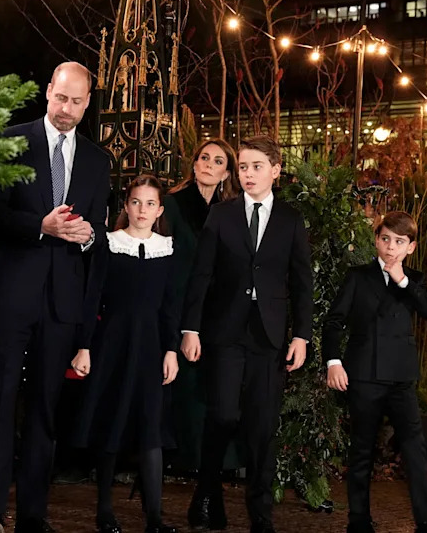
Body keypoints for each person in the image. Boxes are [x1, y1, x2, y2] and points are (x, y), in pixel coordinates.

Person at [0, 61, 112, 533]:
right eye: (61, 98)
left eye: (77, 102)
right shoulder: (11, 140)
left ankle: (33, 515)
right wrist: (40, 226)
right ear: (48, 91)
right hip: (12, 297)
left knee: (45, 412)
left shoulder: (98, 160)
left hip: (62, 305)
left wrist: (89, 235)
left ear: (88, 102)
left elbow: (97, 239)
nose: (67, 109)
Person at [181, 135, 313, 533]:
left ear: (275, 170)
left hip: (269, 338)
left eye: (257, 166)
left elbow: (302, 281)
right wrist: (190, 328)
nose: (248, 173)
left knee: (261, 427)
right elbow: (201, 275)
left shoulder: (291, 219)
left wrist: (302, 336)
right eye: (243, 167)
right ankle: (207, 497)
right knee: (221, 416)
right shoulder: (221, 215)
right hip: (225, 332)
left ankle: (260, 514)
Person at [71, 174, 180, 533]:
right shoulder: (109, 244)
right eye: (136, 202)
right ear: (126, 206)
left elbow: (169, 307)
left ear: (159, 209)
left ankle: (155, 518)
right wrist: (84, 345)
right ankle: (105, 510)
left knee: (151, 429)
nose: (142, 209)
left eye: (150, 203)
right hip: (113, 345)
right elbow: (91, 297)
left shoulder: (167, 249)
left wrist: (170, 351)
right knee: (111, 424)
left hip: (151, 348)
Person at [322, 211, 427, 533]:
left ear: (411, 247)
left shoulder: (414, 280)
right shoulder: (358, 276)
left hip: (402, 378)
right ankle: (358, 520)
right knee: (361, 448)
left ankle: (426, 522)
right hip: (364, 374)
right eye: (386, 239)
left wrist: (402, 279)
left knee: (415, 450)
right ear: (376, 239)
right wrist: (333, 362)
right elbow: (334, 322)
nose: (391, 247)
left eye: (399, 242)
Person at [162, 139, 238, 475]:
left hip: (219, 307)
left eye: (217, 161)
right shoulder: (174, 203)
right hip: (179, 300)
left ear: (226, 172)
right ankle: (183, 456)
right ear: (194, 164)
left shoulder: (231, 211)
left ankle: (218, 460)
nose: (208, 164)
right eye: (204, 157)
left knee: (215, 383)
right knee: (184, 382)